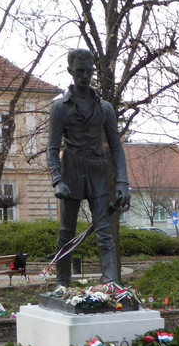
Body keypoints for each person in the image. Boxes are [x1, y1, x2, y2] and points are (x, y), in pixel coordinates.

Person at [46, 48, 130, 285]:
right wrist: (57, 180)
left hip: (97, 170)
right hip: (71, 168)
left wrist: (122, 182)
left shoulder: (105, 108)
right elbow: (52, 149)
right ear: (70, 71)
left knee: (104, 231)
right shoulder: (60, 108)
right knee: (67, 232)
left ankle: (110, 283)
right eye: (79, 71)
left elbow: (116, 148)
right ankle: (62, 284)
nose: (84, 75)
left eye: (88, 71)